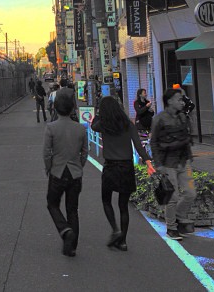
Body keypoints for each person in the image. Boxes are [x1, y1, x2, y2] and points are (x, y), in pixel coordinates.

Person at [91, 97, 155, 251]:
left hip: (110, 166)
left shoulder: (103, 125)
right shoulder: (128, 124)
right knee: (123, 205)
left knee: (106, 200)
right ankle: (123, 241)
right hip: (126, 167)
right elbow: (139, 146)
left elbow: (93, 125)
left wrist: (99, 113)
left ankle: (115, 229)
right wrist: (148, 162)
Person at [43, 88, 89, 257]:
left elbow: (47, 152)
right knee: (72, 209)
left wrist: (49, 167)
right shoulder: (81, 129)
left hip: (58, 171)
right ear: (72, 109)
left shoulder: (51, 128)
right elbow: (85, 152)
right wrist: (79, 166)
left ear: (55, 108)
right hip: (75, 173)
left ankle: (65, 230)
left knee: (52, 203)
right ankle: (72, 246)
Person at [150, 89, 197, 240]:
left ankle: (178, 216)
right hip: (168, 162)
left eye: (182, 100)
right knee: (173, 196)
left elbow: (186, 137)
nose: (181, 102)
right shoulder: (159, 119)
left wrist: (189, 157)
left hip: (183, 161)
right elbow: (154, 142)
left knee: (190, 193)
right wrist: (158, 164)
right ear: (170, 101)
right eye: (178, 99)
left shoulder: (183, 117)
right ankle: (171, 227)